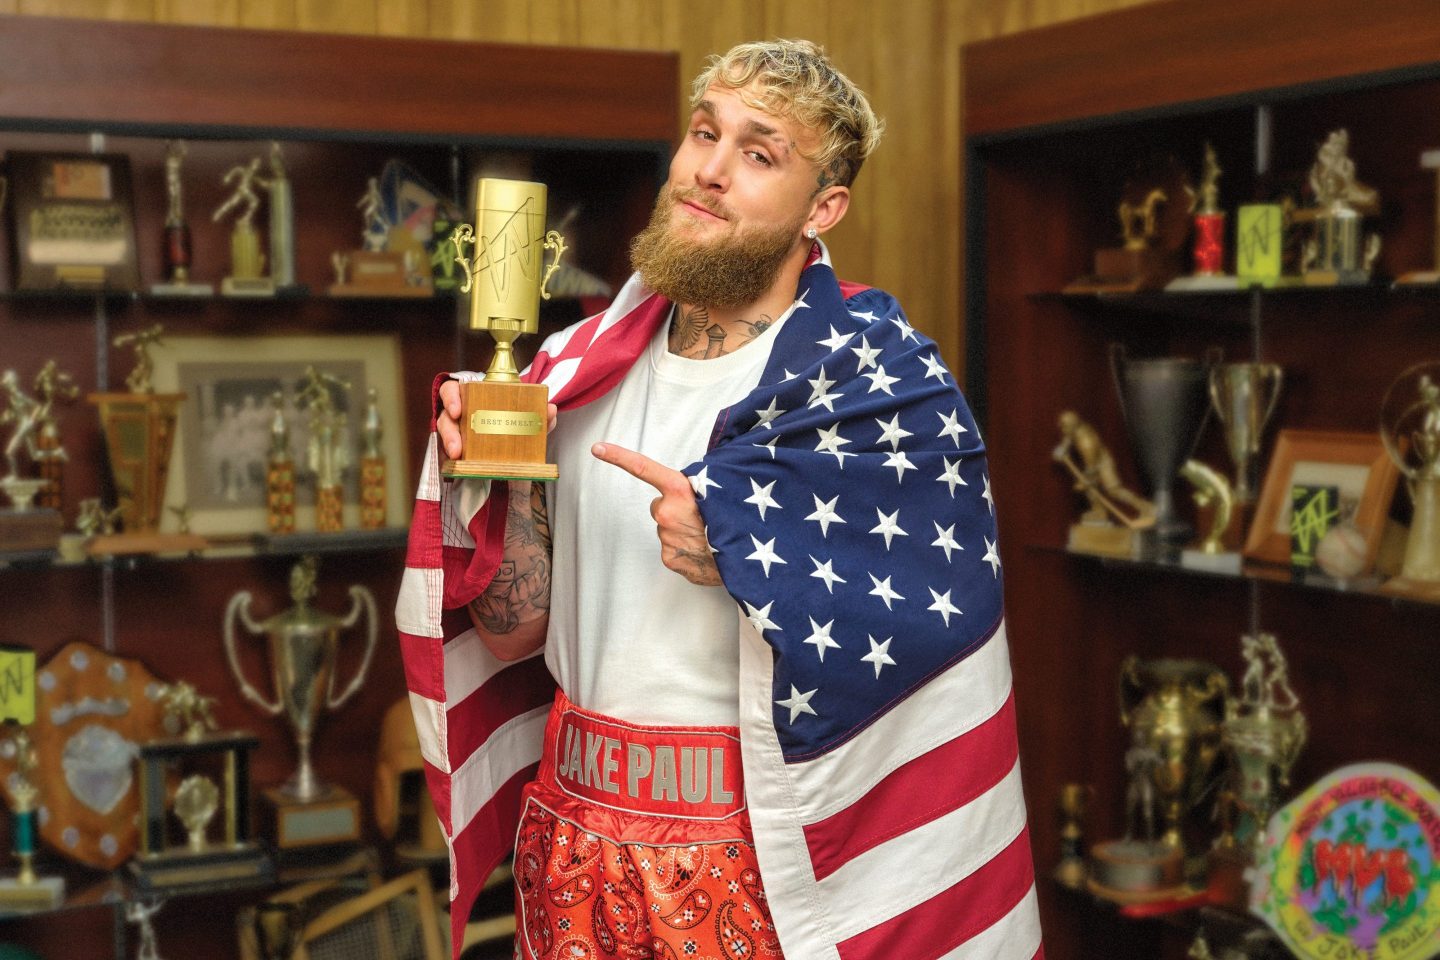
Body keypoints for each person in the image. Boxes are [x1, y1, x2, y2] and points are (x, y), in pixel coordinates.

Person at [399, 39, 1040, 960]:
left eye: (758, 152)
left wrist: (744, 554)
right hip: (572, 831)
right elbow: (512, 630)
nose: (709, 170)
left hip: (755, 855)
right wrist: (494, 481)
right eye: (706, 134)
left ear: (824, 207)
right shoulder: (570, 373)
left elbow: (941, 615)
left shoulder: (874, 380)